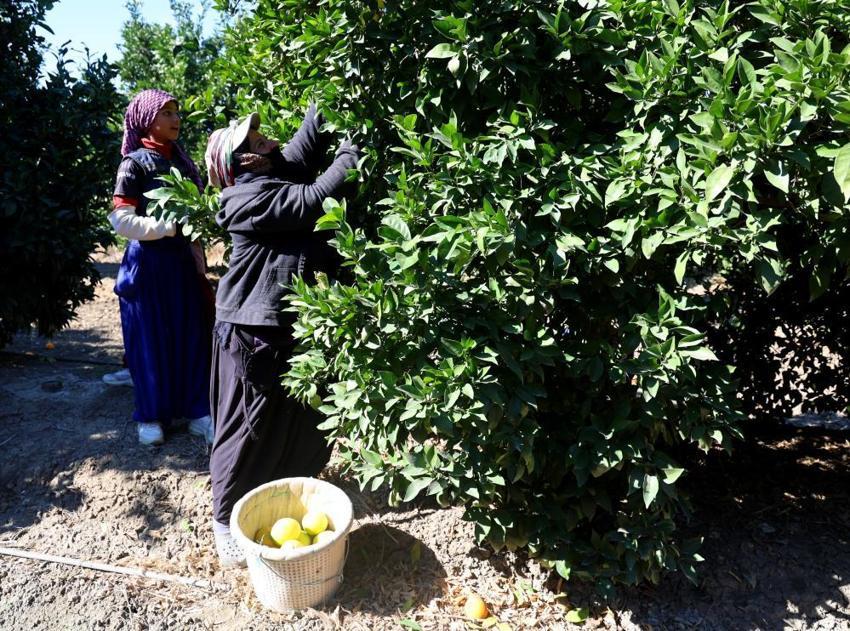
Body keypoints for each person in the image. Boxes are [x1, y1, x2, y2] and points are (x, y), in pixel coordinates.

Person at [204, 104, 359, 566]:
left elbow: (302, 147)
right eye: (257, 141)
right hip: (252, 331)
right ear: (246, 161)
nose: (269, 141)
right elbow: (312, 199)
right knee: (245, 428)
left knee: (297, 420)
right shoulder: (244, 199)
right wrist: (352, 149)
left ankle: (286, 496)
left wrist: (326, 106)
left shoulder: (272, 174)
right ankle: (225, 522)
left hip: (288, 323)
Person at [110, 89, 214, 446]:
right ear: (145, 120)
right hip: (148, 265)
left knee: (191, 334)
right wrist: (166, 227)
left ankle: (198, 411)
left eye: (176, 112)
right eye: (166, 113)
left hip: (180, 265)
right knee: (150, 340)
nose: (175, 119)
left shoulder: (182, 162)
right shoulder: (134, 163)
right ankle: (151, 415)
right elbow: (121, 220)